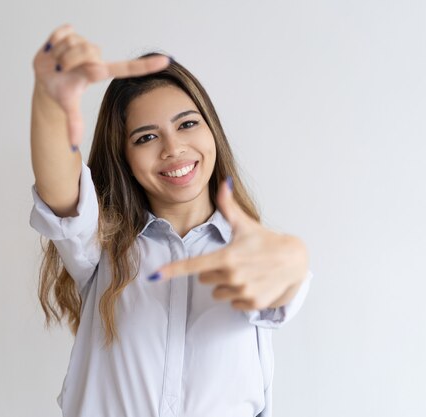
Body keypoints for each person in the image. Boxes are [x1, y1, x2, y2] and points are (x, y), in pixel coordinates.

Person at [29, 24, 312, 417]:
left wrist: (295, 260)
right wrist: (48, 99)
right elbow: (59, 187)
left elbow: (283, 276)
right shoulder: (102, 246)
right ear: (123, 156)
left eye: (187, 124)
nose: (173, 148)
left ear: (211, 129)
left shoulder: (247, 251)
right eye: (146, 137)